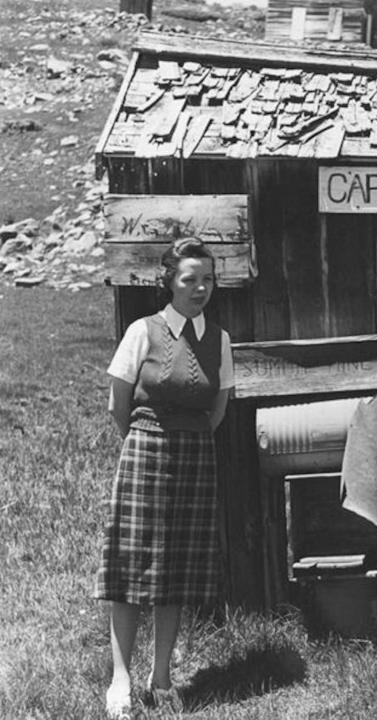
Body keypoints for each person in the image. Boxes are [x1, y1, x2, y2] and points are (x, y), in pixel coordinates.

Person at [94, 238, 234, 719]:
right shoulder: (142, 332)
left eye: (208, 280)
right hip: (145, 450)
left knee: (175, 571)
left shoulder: (219, 339)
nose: (199, 288)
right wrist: (145, 437)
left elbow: (218, 407)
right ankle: (121, 679)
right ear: (169, 282)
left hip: (195, 456)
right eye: (189, 279)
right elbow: (118, 404)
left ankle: (161, 678)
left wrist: (188, 436)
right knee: (130, 569)